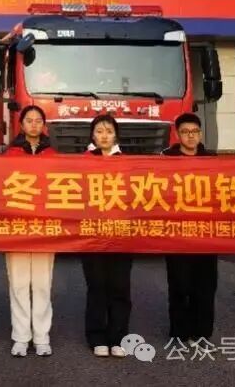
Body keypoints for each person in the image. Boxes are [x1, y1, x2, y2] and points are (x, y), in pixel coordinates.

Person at [4, 105, 57, 357]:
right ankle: (21, 336)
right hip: (17, 226)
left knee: (42, 284)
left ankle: (42, 336)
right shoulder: (10, 154)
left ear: (43, 125)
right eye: (29, 120)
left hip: (45, 226)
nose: (34, 124)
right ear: (21, 124)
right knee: (19, 283)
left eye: (38, 120)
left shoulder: (53, 154)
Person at [162, 113, 218, 347]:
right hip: (176, 233)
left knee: (205, 286)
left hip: (206, 233)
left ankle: (202, 333)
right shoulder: (165, 160)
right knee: (179, 285)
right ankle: (179, 333)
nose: (191, 136)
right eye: (185, 132)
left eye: (194, 132)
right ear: (178, 135)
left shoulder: (212, 160)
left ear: (201, 134)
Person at [81, 114, 132, 358]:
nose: (104, 136)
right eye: (99, 131)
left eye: (109, 131)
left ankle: (118, 337)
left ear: (116, 136)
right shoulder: (81, 162)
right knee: (97, 286)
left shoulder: (128, 163)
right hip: (92, 234)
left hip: (121, 234)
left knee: (120, 287)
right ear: (92, 135)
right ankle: (97, 336)